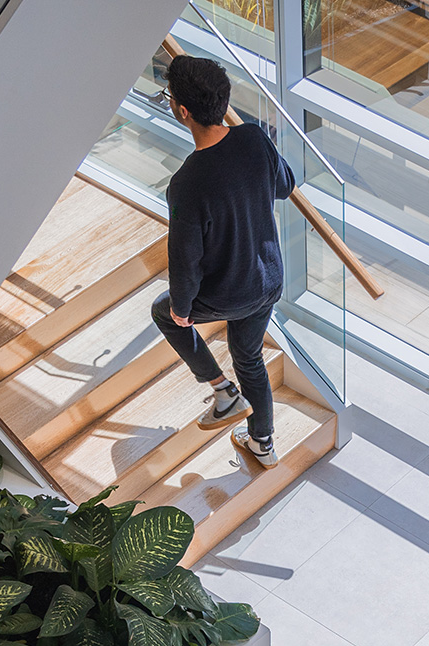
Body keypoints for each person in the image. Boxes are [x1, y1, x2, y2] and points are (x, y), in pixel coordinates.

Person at [150, 54, 296, 467]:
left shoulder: (187, 183)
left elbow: (185, 259)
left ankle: (221, 390)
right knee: (248, 358)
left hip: (227, 293)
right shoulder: (253, 138)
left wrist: (182, 307)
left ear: (182, 111)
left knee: (163, 312)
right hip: (267, 280)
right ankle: (262, 444)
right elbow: (285, 185)